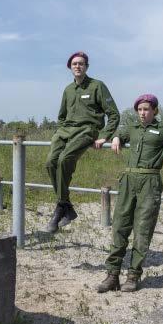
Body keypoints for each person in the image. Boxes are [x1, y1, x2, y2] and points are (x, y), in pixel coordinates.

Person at [97, 94, 163, 293]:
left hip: (150, 181)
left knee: (143, 228)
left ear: (154, 110)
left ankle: (133, 276)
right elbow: (121, 134)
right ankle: (112, 274)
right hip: (129, 180)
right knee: (120, 226)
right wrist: (116, 137)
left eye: (146, 109)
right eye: (140, 109)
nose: (143, 113)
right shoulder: (132, 127)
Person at [44, 51, 120, 233]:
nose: (78, 66)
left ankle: (61, 207)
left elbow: (114, 114)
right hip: (65, 131)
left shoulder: (97, 86)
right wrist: (59, 132)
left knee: (64, 160)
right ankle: (66, 206)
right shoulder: (68, 90)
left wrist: (105, 135)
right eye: (74, 64)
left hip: (87, 130)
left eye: (81, 64)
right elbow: (61, 116)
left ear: (86, 67)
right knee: (50, 162)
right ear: (70, 68)